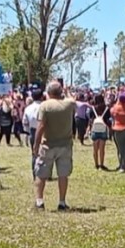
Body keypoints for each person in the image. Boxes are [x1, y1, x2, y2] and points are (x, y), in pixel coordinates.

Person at [33, 81, 76, 211]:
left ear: (48, 92)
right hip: (65, 145)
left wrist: (36, 145)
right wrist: (66, 92)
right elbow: (72, 99)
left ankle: (39, 201)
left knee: (41, 174)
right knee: (63, 175)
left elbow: (41, 127)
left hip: (48, 145)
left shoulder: (45, 106)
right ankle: (62, 202)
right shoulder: (69, 104)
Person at [23, 89, 43, 177]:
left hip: (33, 131)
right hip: (44, 131)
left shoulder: (28, 108)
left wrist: (27, 133)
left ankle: (35, 172)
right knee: (45, 153)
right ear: (41, 97)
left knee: (34, 152)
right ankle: (44, 173)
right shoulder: (44, 107)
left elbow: (25, 122)